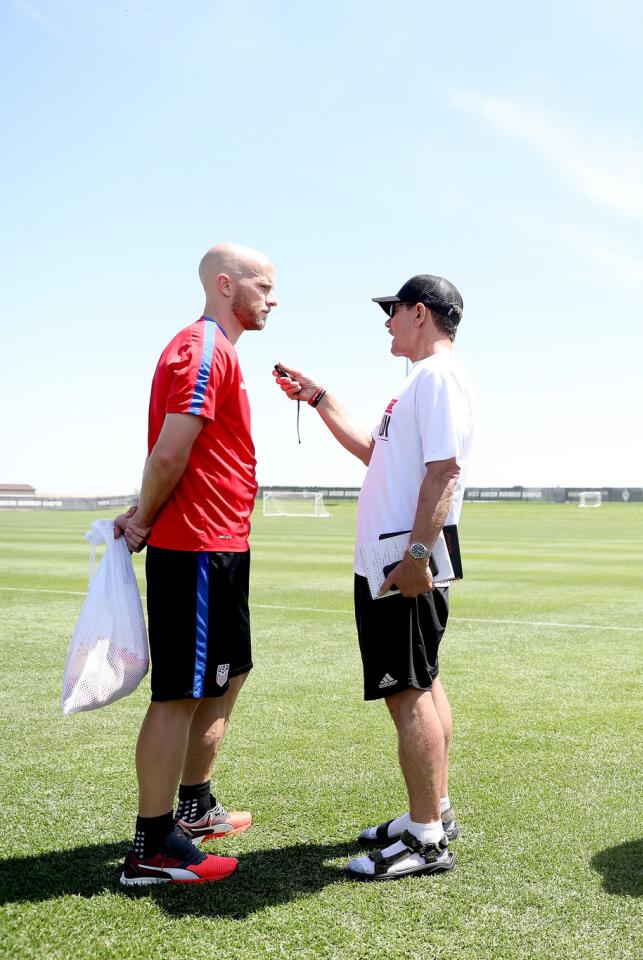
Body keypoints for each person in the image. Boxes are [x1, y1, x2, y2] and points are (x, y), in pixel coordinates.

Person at [274, 275, 475, 879]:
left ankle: (427, 840)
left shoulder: (438, 378)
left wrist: (416, 554)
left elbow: (445, 471)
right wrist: (319, 397)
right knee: (423, 681)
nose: (386, 322)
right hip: (394, 557)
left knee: (406, 691)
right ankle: (432, 812)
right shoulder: (419, 384)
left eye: (392, 311)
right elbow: (373, 452)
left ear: (421, 313)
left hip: (401, 562)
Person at [113, 243, 276, 886]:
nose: (273, 298)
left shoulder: (222, 350)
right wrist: (146, 517)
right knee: (179, 693)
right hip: (198, 547)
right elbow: (170, 451)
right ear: (225, 284)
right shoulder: (202, 347)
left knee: (227, 676)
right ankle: (152, 845)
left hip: (223, 543)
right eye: (263, 286)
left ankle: (194, 806)